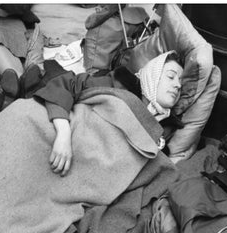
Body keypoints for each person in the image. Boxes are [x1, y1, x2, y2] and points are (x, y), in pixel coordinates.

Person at [33, 51, 184, 176]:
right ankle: (34, 78)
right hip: (63, 134)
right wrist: (63, 133)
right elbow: (67, 84)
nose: (177, 85)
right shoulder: (118, 84)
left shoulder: (165, 129)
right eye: (171, 76)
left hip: (91, 172)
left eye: (180, 82)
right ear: (153, 76)